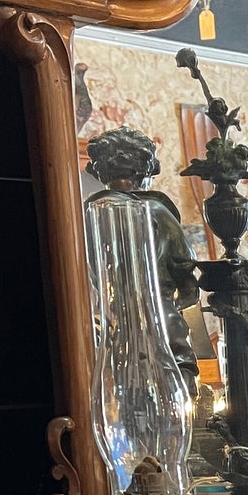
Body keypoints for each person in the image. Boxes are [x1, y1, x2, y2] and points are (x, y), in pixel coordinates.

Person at [85, 127, 203, 391]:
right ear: (145, 170)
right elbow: (184, 263)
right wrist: (187, 293)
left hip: (109, 318)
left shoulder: (87, 216)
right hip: (160, 311)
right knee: (177, 370)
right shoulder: (156, 209)